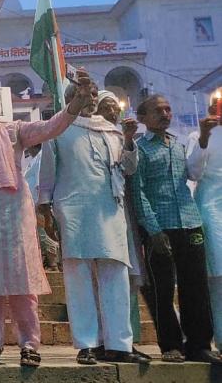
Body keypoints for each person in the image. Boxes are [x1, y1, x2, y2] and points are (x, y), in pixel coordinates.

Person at [0, 69, 94, 367]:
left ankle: (29, 345)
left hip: (13, 222)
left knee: (22, 287)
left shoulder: (14, 131)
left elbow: (51, 127)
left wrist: (77, 102)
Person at [37, 86, 148, 365]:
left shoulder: (111, 131)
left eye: (92, 95)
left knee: (116, 276)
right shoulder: (58, 128)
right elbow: (47, 171)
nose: (90, 99)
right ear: (71, 99)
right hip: (73, 209)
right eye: (82, 95)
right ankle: (88, 344)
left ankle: (119, 344)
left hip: (110, 209)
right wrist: (45, 207)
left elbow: (129, 168)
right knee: (79, 277)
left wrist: (129, 140)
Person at [130, 95, 220, 364]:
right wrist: (153, 230)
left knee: (196, 287)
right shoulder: (140, 150)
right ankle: (170, 344)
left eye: (168, 109)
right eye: (158, 110)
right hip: (160, 227)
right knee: (163, 289)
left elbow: (192, 175)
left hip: (190, 221)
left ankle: (199, 344)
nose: (165, 114)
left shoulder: (178, 145)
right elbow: (138, 193)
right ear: (142, 118)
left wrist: (203, 138)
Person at [93, 93, 152, 360]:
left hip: (121, 216)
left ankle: (125, 340)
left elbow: (129, 168)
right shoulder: (88, 135)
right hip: (97, 217)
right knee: (101, 281)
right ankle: (101, 340)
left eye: (114, 108)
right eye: (105, 107)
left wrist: (127, 139)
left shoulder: (119, 137)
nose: (111, 112)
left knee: (126, 280)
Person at [187, 100, 221, 351]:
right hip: (211, 208)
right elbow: (193, 173)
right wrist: (204, 137)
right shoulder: (197, 135)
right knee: (218, 278)